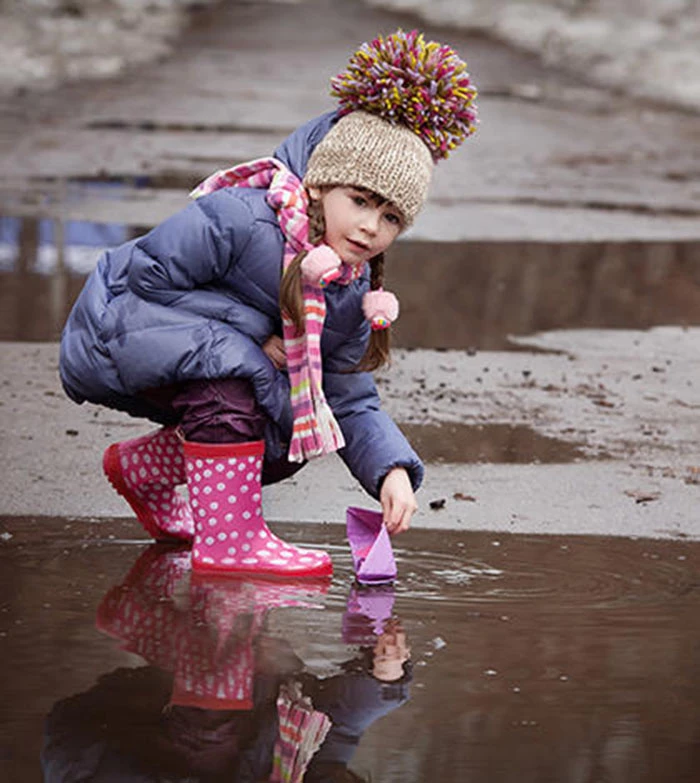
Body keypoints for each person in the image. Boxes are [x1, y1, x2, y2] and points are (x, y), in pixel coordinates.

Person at [58, 30, 479, 577]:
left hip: (186, 354)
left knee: (298, 425)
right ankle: (230, 542)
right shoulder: (242, 218)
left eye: (391, 217)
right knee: (236, 375)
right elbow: (146, 277)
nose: (371, 226)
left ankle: (146, 470)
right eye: (359, 201)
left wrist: (391, 471)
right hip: (113, 327)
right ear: (322, 184)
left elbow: (347, 395)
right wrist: (253, 337)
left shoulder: (348, 289)